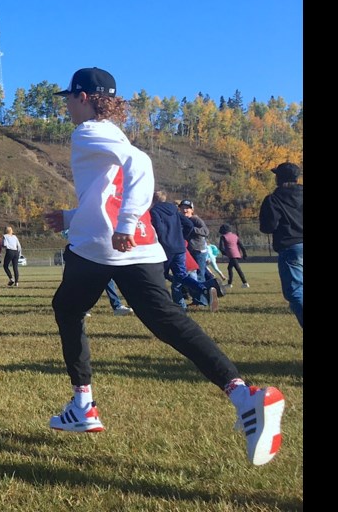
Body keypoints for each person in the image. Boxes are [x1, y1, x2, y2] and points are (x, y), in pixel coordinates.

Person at [42, 67, 283, 466]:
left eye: (69, 96)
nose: (66, 103)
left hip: (103, 247)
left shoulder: (85, 132)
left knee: (68, 309)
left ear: (83, 97)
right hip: (139, 246)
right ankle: (244, 396)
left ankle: (84, 405)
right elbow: (110, 188)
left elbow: (140, 166)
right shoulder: (113, 132)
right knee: (169, 322)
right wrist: (72, 216)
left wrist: (123, 223)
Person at [149, 190, 222, 312]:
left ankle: (161, 303)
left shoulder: (154, 211)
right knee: (181, 275)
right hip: (180, 248)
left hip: (166, 248)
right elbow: (188, 224)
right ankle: (204, 288)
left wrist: (161, 240)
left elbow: (159, 227)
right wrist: (182, 237)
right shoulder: (174, 210)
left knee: (159, 274)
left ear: (153, 200)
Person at [259, 161, 302, 328]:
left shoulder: (274, 199)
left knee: (296, 292)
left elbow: (268, 227)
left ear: (279, 178)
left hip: (291, 247)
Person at [178, 200, 222, 311]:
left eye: (187, 208)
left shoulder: (195, 219)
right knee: (190, 275)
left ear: (192, 210)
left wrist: (192, 229)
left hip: (198, 251)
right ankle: (210, 289)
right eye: (182, 207)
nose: (184, 210)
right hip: (189, 251)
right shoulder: (181, 220)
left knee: (199, 275)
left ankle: (201, 301)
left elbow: (205, 231)